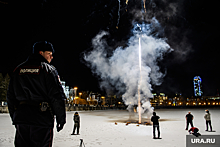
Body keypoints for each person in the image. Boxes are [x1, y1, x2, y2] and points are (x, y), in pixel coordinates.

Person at [7, 41, 66, 147]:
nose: (51, 57)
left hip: (22, 119)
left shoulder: (18, 70)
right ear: (40, 53)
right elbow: (56, 96)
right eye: (49, 54)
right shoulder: (48, 70)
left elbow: (10, 97)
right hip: (41, 119)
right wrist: (61, 118)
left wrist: (15, 116)